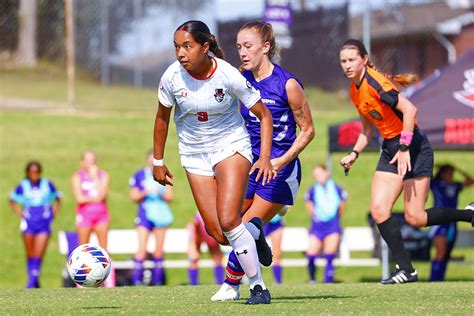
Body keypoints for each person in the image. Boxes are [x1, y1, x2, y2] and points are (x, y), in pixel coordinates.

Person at [153, 20, 275, 304]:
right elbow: (162, 118)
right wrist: (158, 161)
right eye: (176, 47)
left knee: (230, 219)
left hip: (231, 147)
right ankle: (254, 230)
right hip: (194, 154)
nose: (180, 53)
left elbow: (264, 115)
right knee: (219, 234)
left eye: (187, 46)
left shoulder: (228, 75)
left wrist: (265, 158)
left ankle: (258, 287)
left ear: (205, 47)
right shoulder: (171, 77)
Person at [338, 39, 474, 284]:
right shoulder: (354, 90)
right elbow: (367, 129)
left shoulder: (376, 83)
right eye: (343, 61)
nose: (347, 65)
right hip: (392, 148)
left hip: (414, 146)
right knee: (379, 211)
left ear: (365, 60)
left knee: (416, 218)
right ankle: (407, 270)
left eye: (352, 60)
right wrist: (354, 154)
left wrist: (404, 147)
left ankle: (469, 215)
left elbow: (410, 110)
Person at [211, 20, 314, 301]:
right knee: (228, 226)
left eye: (248, 46)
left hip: (280, 169)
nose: (242, 52)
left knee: (246, 225)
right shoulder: (239, 80)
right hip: (248, 165)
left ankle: (232, 286)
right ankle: (257, 239)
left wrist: (281, 161)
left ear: (266, 47)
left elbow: (308, 130)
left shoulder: (287, 84)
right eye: (239, 47)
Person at [9, 161, 61, 288]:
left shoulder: (47, 184)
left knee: (39, 253)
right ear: (27, 173)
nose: (35, 175)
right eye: (32, 172)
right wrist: (20, 215)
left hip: (43, 223)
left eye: (37, 172)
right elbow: (12, 200)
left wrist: (53, 214)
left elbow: (58, 199)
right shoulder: (23, 186)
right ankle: (34, 280)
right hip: (28, 223)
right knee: (30, 253)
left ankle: (31, 283)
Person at [129, 150, 174, 286]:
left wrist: (158, 192)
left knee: (158, 251)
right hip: (144, 215)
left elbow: (170, 196)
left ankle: (158, 282)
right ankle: (137, 282)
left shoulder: (163, 174)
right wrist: (145, 192)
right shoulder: (139, 175)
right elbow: (134, 197)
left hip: (160, 214)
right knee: (141, 250)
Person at [71, 149, 115, 287]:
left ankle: (109, 282)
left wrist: (95, 177)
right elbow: (79, 198)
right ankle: (81, 282)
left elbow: (102, 194)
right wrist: (94, 198)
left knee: (104, 251)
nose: (91, 163)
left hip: (101, 215)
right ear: (82, 162)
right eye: (88, 160)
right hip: (84, 216)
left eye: (93, 161)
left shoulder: (102, 175)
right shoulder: (77, 176)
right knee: (83, 249)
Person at [429, 164, 474, 281]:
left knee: (446, 254)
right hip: (439, 222)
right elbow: (423, 177)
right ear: (443, 173)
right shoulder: (436, 184)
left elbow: (471, 181)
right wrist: (436, 167)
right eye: (449, 172)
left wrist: (458, 169)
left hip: (452, 222)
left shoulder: (455, 186)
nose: (451, 175)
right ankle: (433, 279)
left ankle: (440, 279)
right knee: (440, 252)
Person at [304, 164, 347, 283]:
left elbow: (342, 205)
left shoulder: (336, 188)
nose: (318, 177)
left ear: (326, 173)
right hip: (317, 227)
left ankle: (328, 281)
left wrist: (335, 219)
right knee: (311, 255)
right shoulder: (313, 190)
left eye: (320, 174)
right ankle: (312, 279)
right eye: (316, 175)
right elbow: (308, 204)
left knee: (329, 255)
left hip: (332, 226)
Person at [186, 212, 224, 286]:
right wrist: (192, 246)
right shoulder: (197, 222)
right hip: (201, 230)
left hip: (208, 229)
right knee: (194, 258)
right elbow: (192, 226)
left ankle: (219, 282)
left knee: (217, 258)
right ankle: (193, 284)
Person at [264, 214, 285, 284]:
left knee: (277, 254)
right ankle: (255, 282)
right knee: (254, 253)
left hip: (276, 222)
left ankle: (278, 282)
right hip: (261, 220)